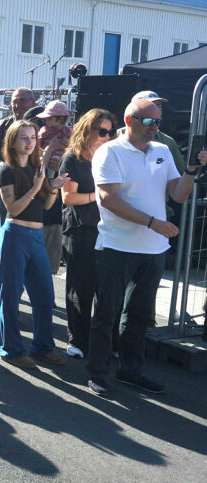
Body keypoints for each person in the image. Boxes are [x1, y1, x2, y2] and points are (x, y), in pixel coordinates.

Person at [86, 99, 206, 396]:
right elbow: (108, 199)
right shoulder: (109, 151)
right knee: (106, 314)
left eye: (158, 122)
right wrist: (152, 222)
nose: (155, 127)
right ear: (130, 120)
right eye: (149, 121)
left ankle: (130, 371)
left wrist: (191, 170)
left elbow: (178, 195)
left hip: (153, 249)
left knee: (139, 315)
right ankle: (98, 373)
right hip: (117, 246)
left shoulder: (163, 151)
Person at [0, 121, 69, 369]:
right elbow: (13, 209)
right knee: (10, 296)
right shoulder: (6, 170)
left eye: (32, 138)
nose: (29, 142)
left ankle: (42, 347)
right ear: (13, 142)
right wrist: (37, 188)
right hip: (14, 236)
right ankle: (12, 350)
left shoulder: (36, 167)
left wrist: (53, 189)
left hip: (36, 239)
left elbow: (46, 206)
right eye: (24, 138)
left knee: (45, 296)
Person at [58, 108, 115, 359]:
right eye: (102, 131)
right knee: (80, 287)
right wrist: (99, 196)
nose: (106, 136)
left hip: (108, 230)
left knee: (107, 288)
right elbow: (68, 197)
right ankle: (77, 340)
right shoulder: (72, 159)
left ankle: (105, 342)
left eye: (110, 132)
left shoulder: (112, 157)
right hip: (80, 229)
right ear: (88, 130)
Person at [0, 87, 35, 228]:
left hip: (33, 186)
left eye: (22, 101)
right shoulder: (1, 125)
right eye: (14, 101)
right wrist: (5, 167)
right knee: (7, 229)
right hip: (7, 185)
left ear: (33, 102)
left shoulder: (39, 125)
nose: (17, 105)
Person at [36, 101, 72, 276]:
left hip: (57, 198)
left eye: (50, 119)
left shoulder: (68, 132)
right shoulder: (42, 133)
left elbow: (72, 150)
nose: (47, 122)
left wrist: (63, 152)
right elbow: (39, 164)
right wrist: (51, 149)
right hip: (44, 185)